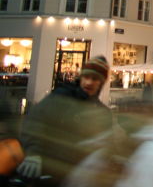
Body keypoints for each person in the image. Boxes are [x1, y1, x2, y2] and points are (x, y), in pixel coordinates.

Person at [17, 55, 115, 184]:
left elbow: (105, 145)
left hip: (77, 176)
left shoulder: (103, 113)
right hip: (45, 171)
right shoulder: (61, 97)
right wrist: (33, 153)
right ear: (81, 77)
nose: (89, 82)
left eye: (95, 78)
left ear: (101, 82)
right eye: (86, 77)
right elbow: (36, 121)